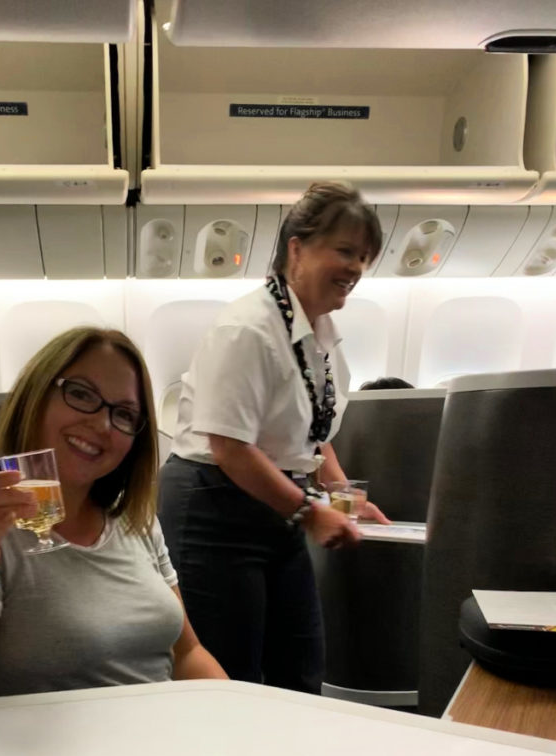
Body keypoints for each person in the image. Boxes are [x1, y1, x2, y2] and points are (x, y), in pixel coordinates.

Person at [0, 327, 226, 699]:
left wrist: (238, 717)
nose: (102, 424)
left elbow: (187, 653)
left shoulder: (136, 520)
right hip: (51, 753)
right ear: (36, 396)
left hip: (166, 736)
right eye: (82, 394)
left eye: (124, 414)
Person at [158, 181, 389, 694]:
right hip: (213, 507)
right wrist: (309, 512)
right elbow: (231, 448)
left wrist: (343, 496)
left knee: (300, 669)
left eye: (364, 257)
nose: (355, 268)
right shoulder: (248, 329)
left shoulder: (320, 337)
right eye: (345, 251)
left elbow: (313, 435)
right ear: (297, 248)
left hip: (276, 504)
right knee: (230, 676)